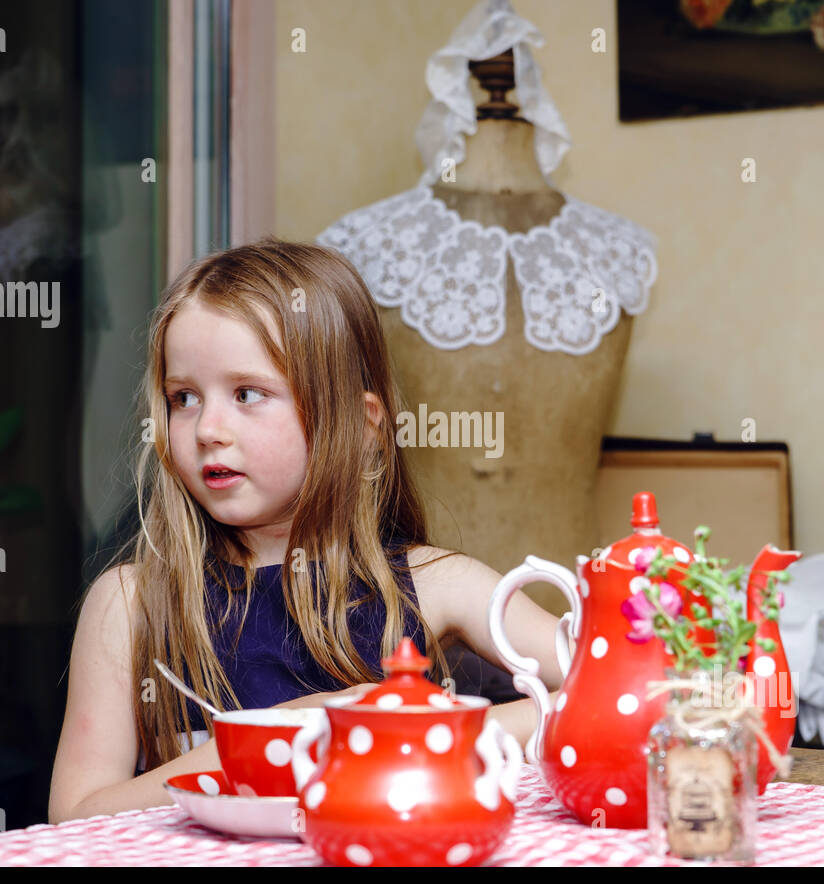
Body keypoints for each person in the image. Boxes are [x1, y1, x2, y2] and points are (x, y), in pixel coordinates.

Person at [48, 239, 564, 823]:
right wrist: (255, 747)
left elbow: (622, 693)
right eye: (183, 397)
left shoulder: (439, 582)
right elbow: (75, 814)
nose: (208, 429)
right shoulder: (130, 603)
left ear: (360, 425)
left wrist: (385, 733)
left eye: (248, 394)